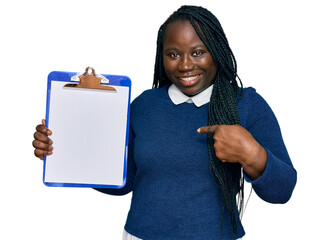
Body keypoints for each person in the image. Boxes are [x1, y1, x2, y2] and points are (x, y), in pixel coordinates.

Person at [32, 5, 297, 240]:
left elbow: (283, 190)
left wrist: (252, 155)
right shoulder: (145, 105)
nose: (185, 65)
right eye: (173, 54)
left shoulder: (245, 104)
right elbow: (124, 181)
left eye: (198, 52)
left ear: (216, 52)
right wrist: (66, 153)